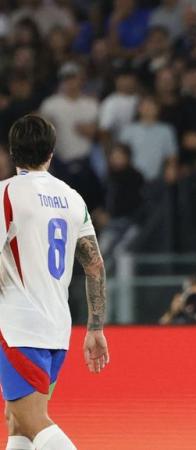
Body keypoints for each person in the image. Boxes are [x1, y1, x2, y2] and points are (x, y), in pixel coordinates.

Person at [0, 115, 109, 450]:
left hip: (18, 325)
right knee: (17, 422)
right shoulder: (72, 198)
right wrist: (95, 327)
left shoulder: (6, 194)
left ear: (11, 151)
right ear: (52, 152)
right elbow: (94, 264)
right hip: (57, 328)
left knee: (32, 421)